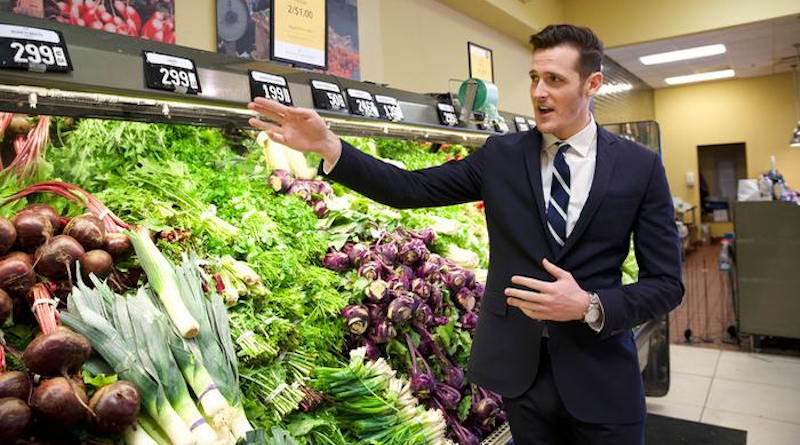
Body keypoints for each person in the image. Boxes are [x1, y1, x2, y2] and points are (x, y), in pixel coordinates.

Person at [249, 24, 683, 445]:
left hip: (601, 376)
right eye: (534, 78)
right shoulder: (503, 156)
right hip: (521, 376)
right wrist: (331, 146)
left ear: (592, 85)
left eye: (555, 79)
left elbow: (666, 284)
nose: (538, 93)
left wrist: (590, 305)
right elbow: (409, 189)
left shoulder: (637, 167)